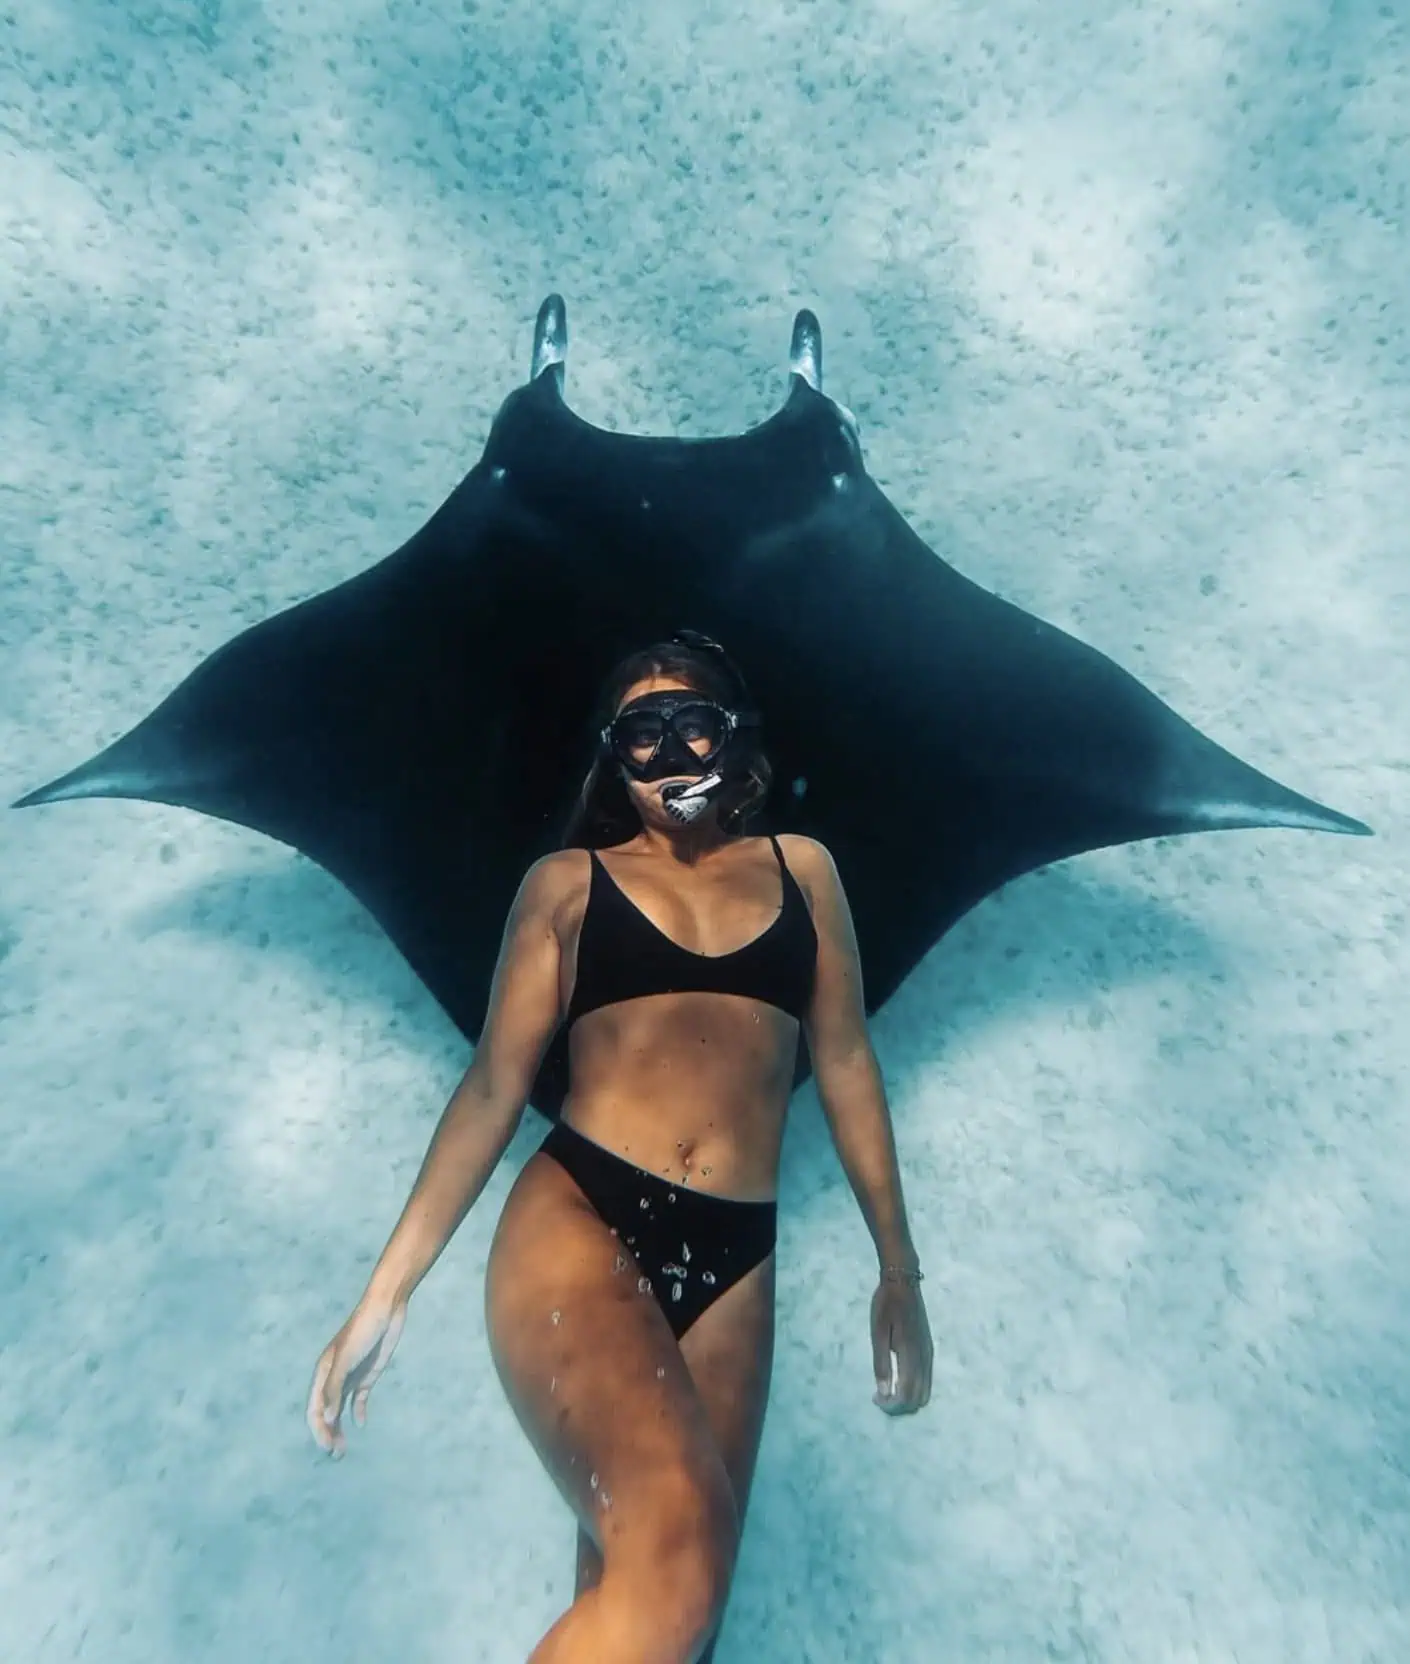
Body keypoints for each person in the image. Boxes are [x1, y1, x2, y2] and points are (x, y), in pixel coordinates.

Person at [306, 631, 933, 1663]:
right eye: (641, 734)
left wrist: (897, 1268)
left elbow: (850, 1065)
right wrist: (388, 1287)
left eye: (692, 723)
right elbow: (494, 1088)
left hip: (739, 1255)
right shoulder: (565, 884)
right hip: (580, 1219)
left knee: (673, 1597)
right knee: (679, 1561)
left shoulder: (805, 871)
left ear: (735, 737)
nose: (670, 752)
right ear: (613, 754)